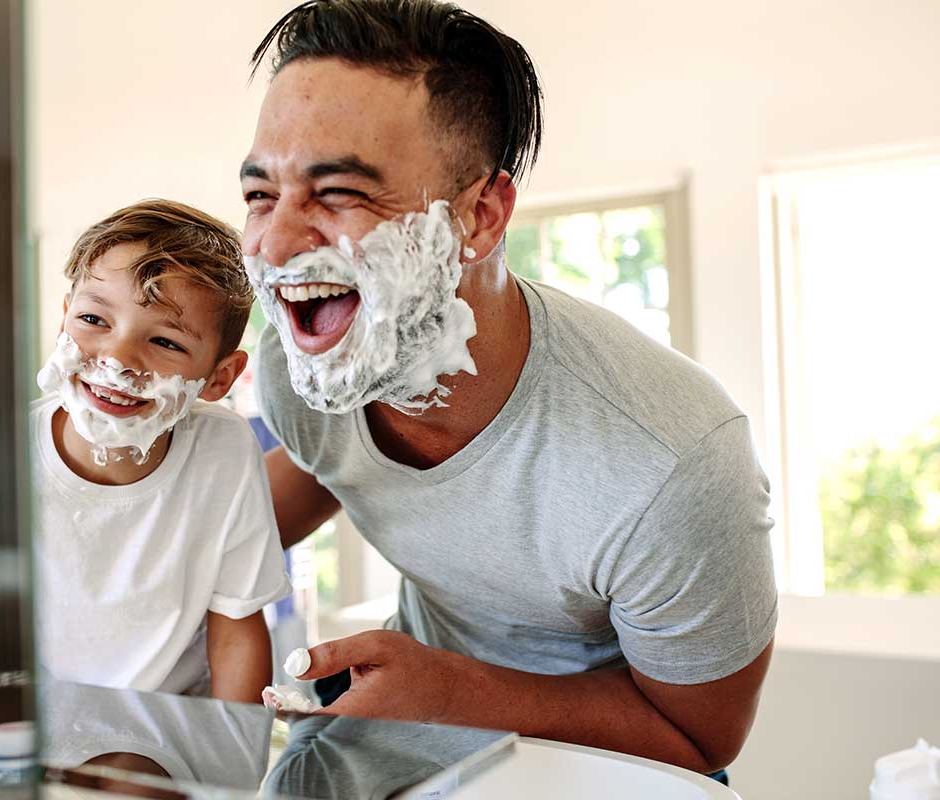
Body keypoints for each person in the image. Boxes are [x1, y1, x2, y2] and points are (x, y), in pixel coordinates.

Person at [241, 0, 777, 778]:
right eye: (261, 195)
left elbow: (701, 738)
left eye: (341, 194)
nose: (276, 243)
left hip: (604, 765)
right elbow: (329, 467)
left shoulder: (672, 465)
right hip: (401, 728)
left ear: (481, 216)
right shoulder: (308, 361)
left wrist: (454, 693)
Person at [31, 199, 291, 702]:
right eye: (93, 318)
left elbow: (237, 630)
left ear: (218, 379)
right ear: (64, 318)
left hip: (172, 724)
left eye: (166, 343)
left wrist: (232, 768)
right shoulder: (13, 452)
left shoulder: (223, 452)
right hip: (48, 718)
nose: (119, 358)